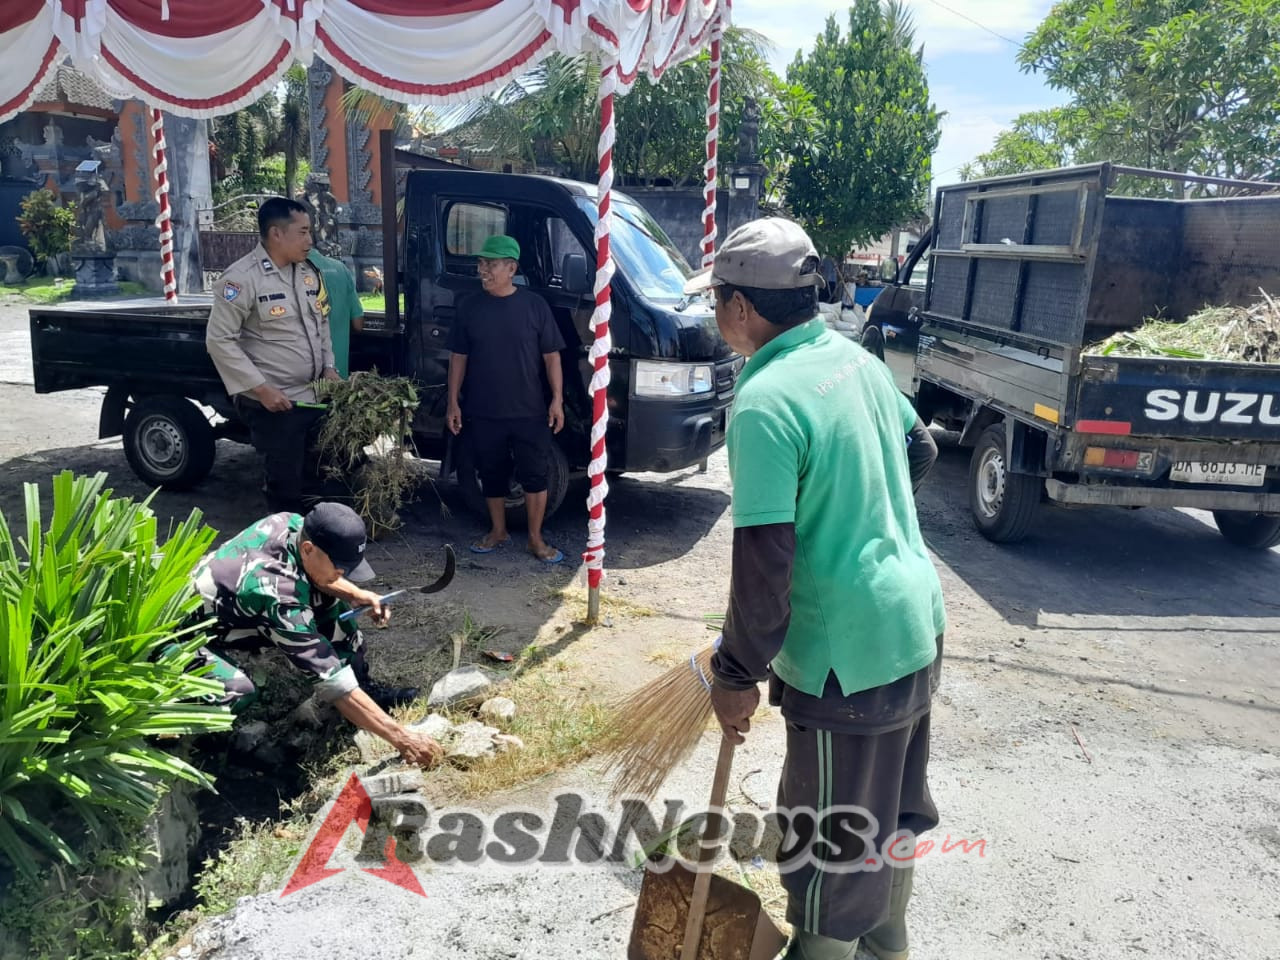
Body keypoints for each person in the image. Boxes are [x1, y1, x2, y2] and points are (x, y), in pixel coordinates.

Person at [686, 218, 946, 960]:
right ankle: (888, 950)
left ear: (740, 309)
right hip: (914, 625)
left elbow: (765, 566)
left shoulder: (765, 401)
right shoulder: (851, 358)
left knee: (830, 857)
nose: (716, 315)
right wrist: (867, 530)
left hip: (849, 663)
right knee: (887, 819)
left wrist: (734, 675)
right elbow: (918, 449)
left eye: (717, 302)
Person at [185, 502, 442, 769]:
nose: (342, 577)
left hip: (239, 607)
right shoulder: (275, 595)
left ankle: (364, 688)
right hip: (180, 635)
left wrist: (355, 594)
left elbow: (318, 575)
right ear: (308, 549)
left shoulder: (295, 524)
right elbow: (331, 682)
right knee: (235, 690)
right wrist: (403, 739)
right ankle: (181, 739)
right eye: (340, 571)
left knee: (329, 602)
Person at [206, 197, 340, 513]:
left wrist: (329, 367)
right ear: (276, 234)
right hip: (274, 404)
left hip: (312, 397)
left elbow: (321, 323)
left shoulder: (309, 273)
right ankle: (285, 549)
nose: (311, 240)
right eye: (303, 232)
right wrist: (262, 390)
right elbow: (219, 340)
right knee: (285, 486)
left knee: (317, 479)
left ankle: (314, 548)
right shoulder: (241, 279)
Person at [446, 234, 567, 564]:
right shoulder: (469, 307)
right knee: (491, 472)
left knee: (535, 475)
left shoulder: (534, 306)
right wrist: (453, 402)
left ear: (511, 268)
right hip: (483, 409)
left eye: (491, 264)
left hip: (529, 410)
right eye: (481, 264)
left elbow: (551, 356)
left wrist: (556, 400)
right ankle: (497, 531)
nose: (483, 270)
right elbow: (459, 357)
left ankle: (535, 539)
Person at [306, 246, 364, 378]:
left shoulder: (293, 271)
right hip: (338, 376)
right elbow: (358, 323)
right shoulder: (340, 268)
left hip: (306, 380)